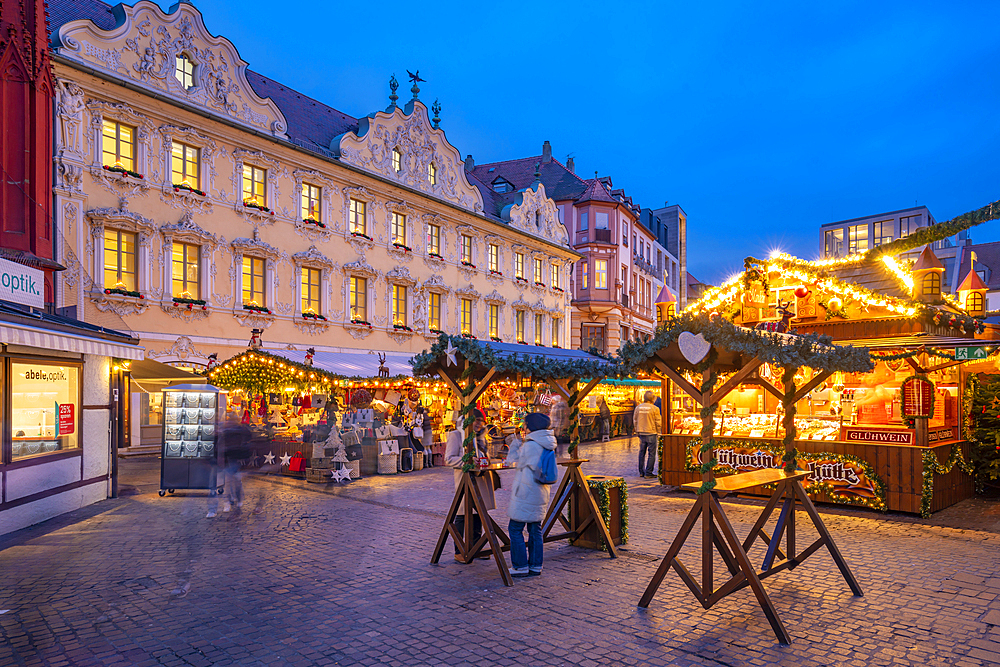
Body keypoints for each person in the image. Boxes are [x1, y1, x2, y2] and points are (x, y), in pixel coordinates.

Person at [507, 412, 556, 577]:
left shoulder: (531, 444)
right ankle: (535, 565)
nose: (523, 427)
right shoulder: (547, 442)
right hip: (540, 492)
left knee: (515, 528)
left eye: (525, 424)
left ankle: (520, 565)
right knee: (535, 529)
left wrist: (514, 444)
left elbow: (513, 461)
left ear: (531, 426)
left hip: (526, 492)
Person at [444, 408, 496, 558]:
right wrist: (467, 461)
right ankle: (459, 550)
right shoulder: (455, 435)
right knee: (462, 513)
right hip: (464, 479)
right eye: (477, 420)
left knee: (479, 513)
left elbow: (484, 455)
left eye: (482, 421)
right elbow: (449, 459)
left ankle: (477, 548)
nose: (480, 424)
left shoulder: (481, 436)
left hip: (481, 478)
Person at [220, 412, 252, 512]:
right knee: (231, 481)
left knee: (234, 481)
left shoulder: (239, 430)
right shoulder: (228, 431)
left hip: (235, 459)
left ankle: (235, 500)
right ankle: (230, 501)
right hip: (231, 459)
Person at [633, 391, 662, 478]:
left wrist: (637, 431)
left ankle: (641, 472)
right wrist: (658, 432)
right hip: (651, 432)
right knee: (651, 454)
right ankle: (649, 472)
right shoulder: (655, 408)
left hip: (641, 432)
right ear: (652, 398)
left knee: (642, 452)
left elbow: (635, 420)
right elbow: (658, 422)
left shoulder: (638, 407)